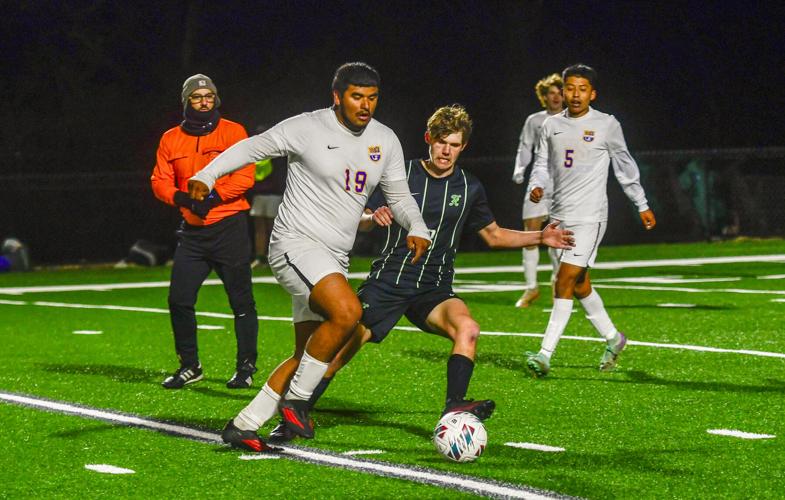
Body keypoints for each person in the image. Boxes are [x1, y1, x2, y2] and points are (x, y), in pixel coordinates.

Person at [265, 104, 575, 443]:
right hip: (389, 284)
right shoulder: (401, 174)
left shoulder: (469, 187)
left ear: (463, 147)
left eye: (454, 144)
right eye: (441, 141)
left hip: (434, 289)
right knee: (337, 355)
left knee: (468, 329)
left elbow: (494, 235)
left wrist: (541, 236)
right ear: (428, 139)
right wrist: (372, 216)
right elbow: (354, 213)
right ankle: (291, 417)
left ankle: (453, 408)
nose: (446, 150)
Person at [187, 62, 431, 451]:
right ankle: (298, 400)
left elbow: (399, 196)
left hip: (334, 256)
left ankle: (244, 424)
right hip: (295, 244)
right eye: (356, 97)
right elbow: (254, 146)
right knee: (349, 314)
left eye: (372, 98)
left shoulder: (385, 140)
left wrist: (416, 227)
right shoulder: (307, 127)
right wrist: (208, 174)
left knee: (307, 353)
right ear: (337, 96)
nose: (365, 105)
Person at [525, 64, 656, 378]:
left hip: (590, 218)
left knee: (563, 281)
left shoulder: (606, 125)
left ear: (592, 93)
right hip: (559, 218)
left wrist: (642, 203)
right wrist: (535, 186)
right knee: (581, 283)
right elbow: (542, 164)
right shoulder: (551, 125)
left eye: (582, 89)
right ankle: (614, 337)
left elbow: (625, 166)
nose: (575, 94)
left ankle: (544, 354)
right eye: (570, 88)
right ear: (562, 90)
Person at [151, 74, 259, 390]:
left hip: (229, 226)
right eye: (197, 97)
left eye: (208, 96)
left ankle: (246, 367)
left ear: (216, 99)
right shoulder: (171, 138)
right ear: (186, 101)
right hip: (193, 232)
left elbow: (245, 175)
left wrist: (212, 196)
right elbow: (159, 181)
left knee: (242, 302)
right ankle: (190, 365)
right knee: (179, 299)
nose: (203, 101)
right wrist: (182, 198)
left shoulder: (233, 131)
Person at [512, 73, 565, 308]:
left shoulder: (572, 120)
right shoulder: (535, 120)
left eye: (559, 92)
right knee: (530, 231)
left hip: (565, 184)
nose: (555, 97)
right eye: (550, 93)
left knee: (558, 234)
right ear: (544, 97)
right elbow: (525, 146)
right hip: (539, 183)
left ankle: (557, 283)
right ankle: (531, 287)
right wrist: (520, 169)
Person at [246, 125, 287, 267]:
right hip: (259, 195)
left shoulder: (278, 153)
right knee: (259, 228)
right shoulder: (256, 154)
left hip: (274, 195)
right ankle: (259, 257)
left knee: (273, 228)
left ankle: (274, 257)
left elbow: (281, 175)